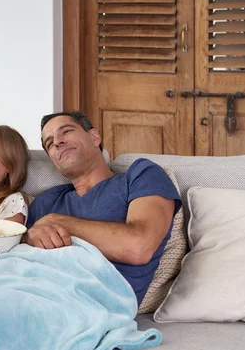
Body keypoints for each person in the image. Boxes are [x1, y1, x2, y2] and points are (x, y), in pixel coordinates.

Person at [25, 111, 182, 305]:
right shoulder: (46, 202)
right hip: (34, 292)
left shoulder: (141, 175)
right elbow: (12, 255)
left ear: (94, 137)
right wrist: (27, 238)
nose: (57, 142)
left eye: (66, 131)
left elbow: (138, 247)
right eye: (49, 143)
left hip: (93, 304)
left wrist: (58, 222)